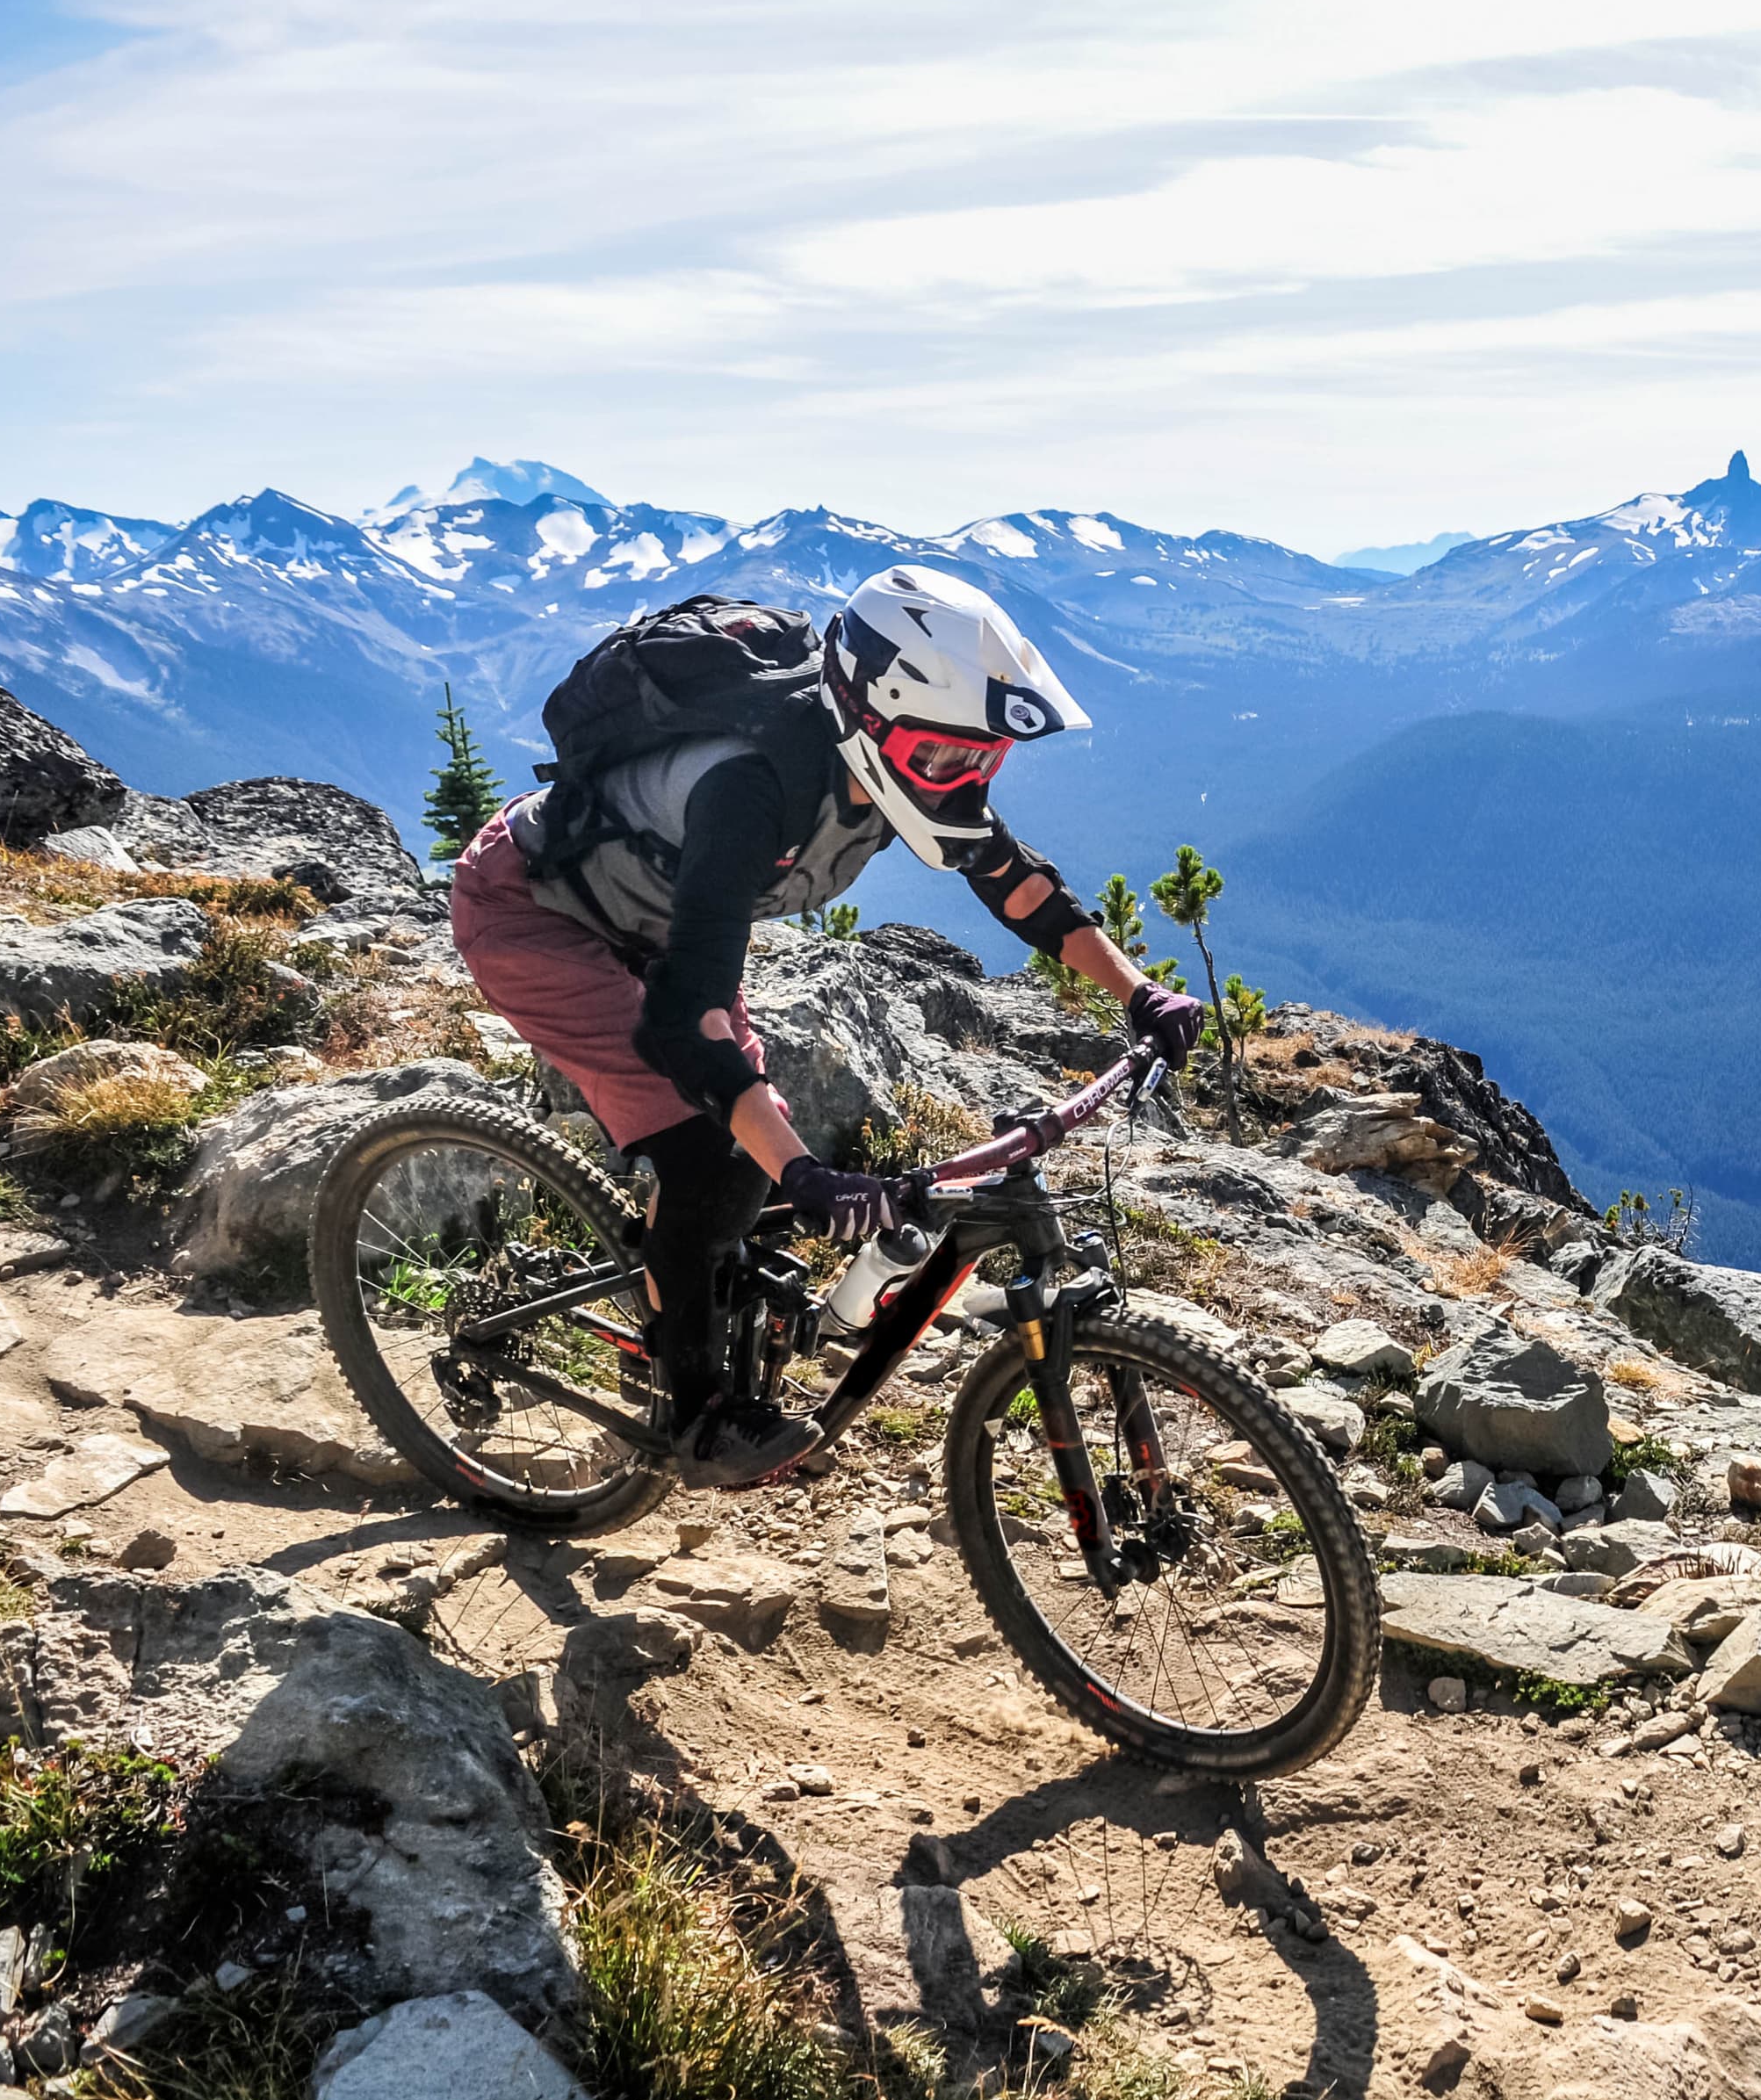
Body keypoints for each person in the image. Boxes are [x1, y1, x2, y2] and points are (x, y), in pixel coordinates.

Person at [448, 565, 1205, 1485]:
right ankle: (699, 1417)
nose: (961, 782)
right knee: (708, 1154)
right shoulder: (750, 788)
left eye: (981, 761)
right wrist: (803, 1173)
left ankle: (672, 1313)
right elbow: (686, 1023)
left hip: (661, 921)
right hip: (536, 918)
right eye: (943, 759)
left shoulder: (899, 773)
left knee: (736, 1173)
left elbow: (1015, 881)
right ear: (869, 720)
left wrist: (1138, 993)